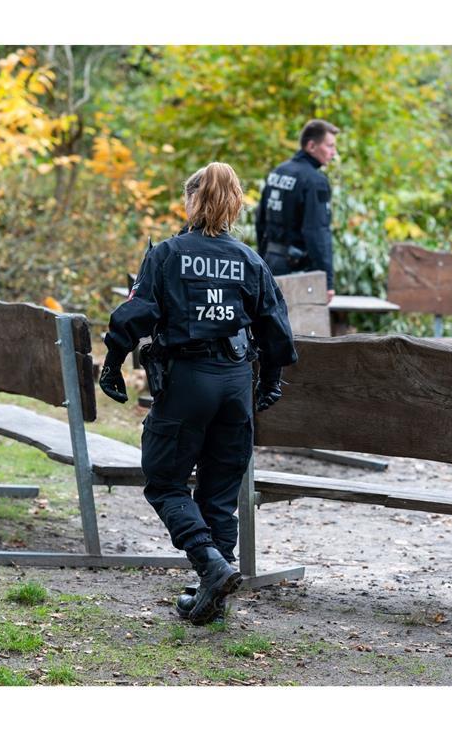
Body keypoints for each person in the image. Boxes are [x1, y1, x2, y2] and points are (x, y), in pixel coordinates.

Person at [99, 162, 297, 625]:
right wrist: (269, 382)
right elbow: (277, 329)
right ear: (235, 204)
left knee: (166, 481)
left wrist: (111, 365)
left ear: (191, 201)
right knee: (219, 492)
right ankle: (212, 591)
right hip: (235, 384)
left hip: (188, 381)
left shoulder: (167, 254)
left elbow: (135, 314)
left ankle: (209, 564)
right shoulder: (249, 260)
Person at [255, 119, 339, 303]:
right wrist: (327, 281)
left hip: (269, 261)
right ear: (311, 146)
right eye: (330, 146)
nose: (334, 153)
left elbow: (260, 220)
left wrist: (261, 260)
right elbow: (317, 232)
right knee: (300, 327)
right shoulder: (315, 181)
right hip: (296, 271)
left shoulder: (279, 172)